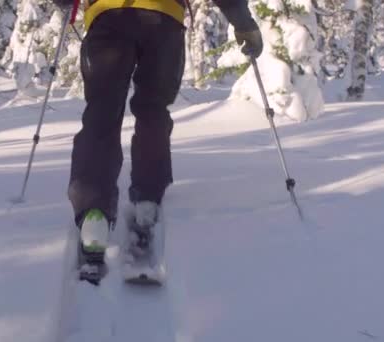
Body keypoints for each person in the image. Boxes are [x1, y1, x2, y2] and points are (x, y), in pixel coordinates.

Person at [55, 0, 263, 263]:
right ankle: (147, 201)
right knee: (152, 109)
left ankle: (93, 213)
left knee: (102, 110)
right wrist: (243, 22)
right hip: (164, 20)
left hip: (107, 16)